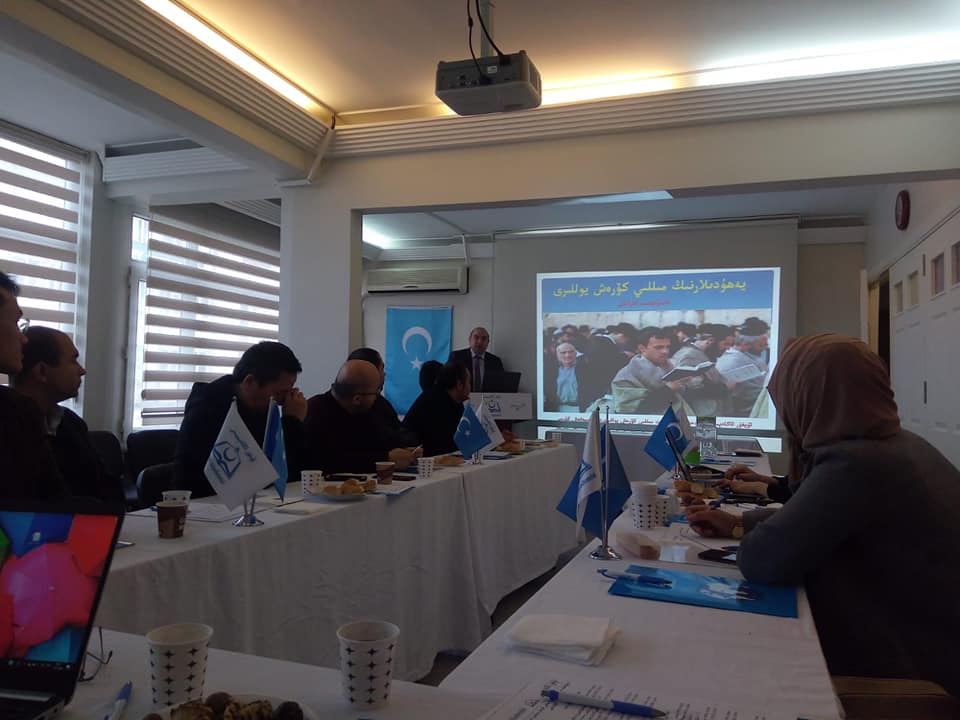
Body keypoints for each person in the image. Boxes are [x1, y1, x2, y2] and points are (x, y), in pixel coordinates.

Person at [686, 334, 960, 697]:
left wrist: (744, 529)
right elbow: (821, 515)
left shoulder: (856, 463)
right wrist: (740, 522)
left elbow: (764, 560)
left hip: (913, 673)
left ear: (807, 395)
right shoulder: (897, 442)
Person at [175, 341, 308, 497]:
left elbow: (296, 472)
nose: (283, 401)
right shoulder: (207, 409)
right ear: (249, 382)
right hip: (203, 501)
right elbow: (253, 476)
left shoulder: (260, 406)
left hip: (252, 502)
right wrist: (292, 422)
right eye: (280, 393)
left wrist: (294, 423)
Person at [12, 326, 123, 503]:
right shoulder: (8, 428)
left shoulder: (70, 422)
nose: (82, 370)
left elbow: (107, 486)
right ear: (42, 371)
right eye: (73, 361)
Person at [0, 271, 65, 498]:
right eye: (16, 323)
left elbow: (53, 501)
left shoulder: (18, 410)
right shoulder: (16, 412)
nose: (23, 338)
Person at [304, 360, 420, 474]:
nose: (377, 398)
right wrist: (385, 459)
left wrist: (404, 453)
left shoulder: (366, 410)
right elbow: (327, 461)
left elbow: (381, 441)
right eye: (377, 392)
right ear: (357, 399)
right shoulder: (314, 412)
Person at [347, 347, 417, 448]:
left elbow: (401, 432)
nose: (384, 374)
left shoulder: (381, 402)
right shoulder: (357, 406)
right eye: (382, 368)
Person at [611, 327, 691, 414]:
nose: (665, 351)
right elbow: (632, 408)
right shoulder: (626, 375)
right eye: (658, 347)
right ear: (642, 348)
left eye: (667, 347)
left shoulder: (670, 367)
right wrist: (668, 389)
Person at [402, 361, 471, 456]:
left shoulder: (453, 401)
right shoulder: (435, 402)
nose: (470, 387)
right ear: (459, 384)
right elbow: (447, 445)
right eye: (469, 382)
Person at [669, 325, 730, 416]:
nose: (728, 348)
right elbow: (689, 391)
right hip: (701, 415)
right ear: (710, 341)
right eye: (726, 344)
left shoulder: (699, 353)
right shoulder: (690, 356)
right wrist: (725, 387)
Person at [714, 317, 770, 416]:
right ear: (746, 344)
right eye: (761, 345)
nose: (764, 348)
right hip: (744, 411)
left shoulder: (740, 355)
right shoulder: (736, 360)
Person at [449, 326, 504, 393]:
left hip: (488, 398)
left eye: (484, 338)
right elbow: (448, 381)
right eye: (476, 337)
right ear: (470, 339)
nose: (480, 341)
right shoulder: (457, 357)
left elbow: (501, 385)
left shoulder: (495, 361)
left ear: (488, 342)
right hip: (462, 397)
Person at [544, 342, 590, 412]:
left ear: (575, 353)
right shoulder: (550, 371)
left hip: (579, 409)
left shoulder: (584, 370)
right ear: (557, 354)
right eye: (563, 352)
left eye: (571, 352)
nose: (567, 355)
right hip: (556, 409)